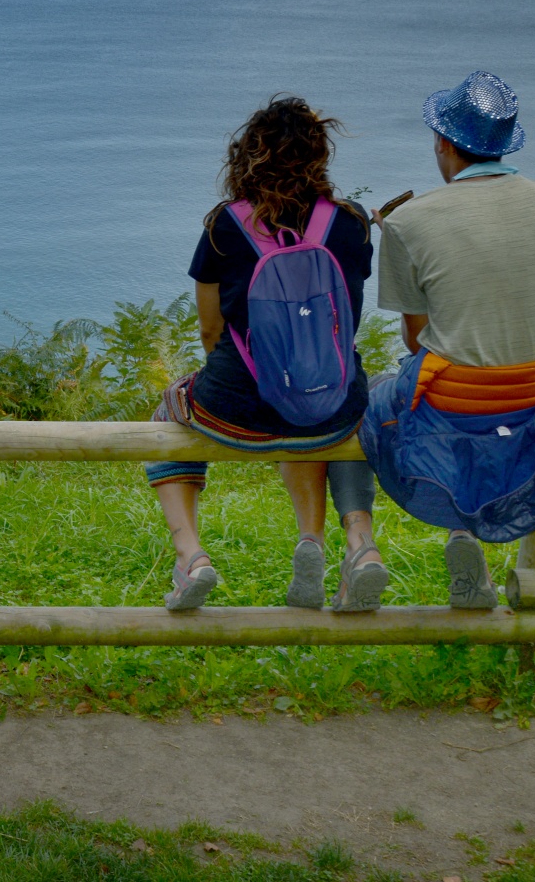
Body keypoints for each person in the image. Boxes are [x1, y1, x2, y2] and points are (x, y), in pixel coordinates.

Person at [364, 70, 535, 607]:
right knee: (472, 399)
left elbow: (417, 340)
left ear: (444, 143)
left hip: (454, 399)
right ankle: (464, 538)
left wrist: (396, 238)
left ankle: (374, 543)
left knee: (384, 398)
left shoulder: (410, 221)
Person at [147, 96, 388, 613]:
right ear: (319, 156)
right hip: (329, 406)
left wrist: (250, 373)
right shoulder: (350, 223)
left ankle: (190, 556)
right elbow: (350, 314)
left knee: (168, 410)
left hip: (236, 404)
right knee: (341, 414)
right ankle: (349, 544)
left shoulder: (223, 226)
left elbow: (211, 327)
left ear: (246, 155)